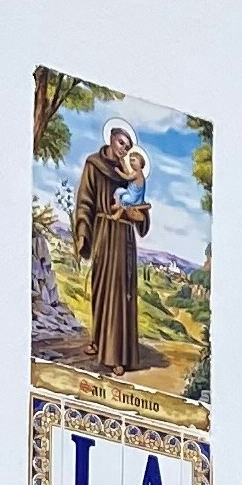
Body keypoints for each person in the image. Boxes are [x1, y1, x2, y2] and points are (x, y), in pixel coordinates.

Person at [72, 126, 150, 377]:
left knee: (120, 293)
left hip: (124, 236)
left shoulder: (129, 175)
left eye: (127, 147)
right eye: (120, 143)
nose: (123, 150)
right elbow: (84, 200)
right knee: (101, 287)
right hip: (104, 232)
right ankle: (98, 340)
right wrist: (83, 232)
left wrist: (138, 216)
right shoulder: (94, 165)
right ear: (110, 139)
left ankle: (117, 355)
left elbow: (140, 205)